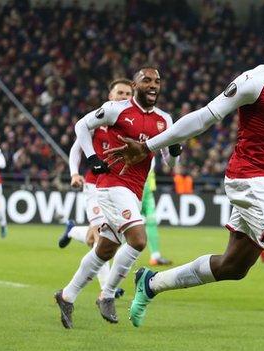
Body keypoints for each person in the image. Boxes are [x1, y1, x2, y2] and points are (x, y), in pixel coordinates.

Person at [106, 17, 264, 351]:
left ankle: (152, 283)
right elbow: (204, 117)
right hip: (248, 181)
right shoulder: (255, 80)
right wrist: (149, 146)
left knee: (234, 266)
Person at [54, 67, 180, 329]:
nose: (153, 85)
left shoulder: (164, 120)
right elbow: (81, 126)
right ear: (136, 85)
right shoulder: (116, 109)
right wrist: (92, 159)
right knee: (138, 239)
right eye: (146, 80)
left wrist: (176, 149)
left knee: (105, 249)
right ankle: (107, 295)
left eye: (157, 81)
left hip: (135, 190)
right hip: (111, 185)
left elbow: (169, 161)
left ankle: (67, 296)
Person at [58, 78, 133, 301]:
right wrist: (74, 173)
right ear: (110, 96)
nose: (124, 97)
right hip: (95, 186)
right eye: (120, 92)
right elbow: (76, 150)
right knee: (102, 237)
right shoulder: (97, 120)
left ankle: (72, 230)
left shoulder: (132, 124)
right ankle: (107, 289)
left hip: (121, 188)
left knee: (108, 238)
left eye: (128, 93)